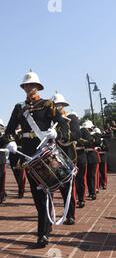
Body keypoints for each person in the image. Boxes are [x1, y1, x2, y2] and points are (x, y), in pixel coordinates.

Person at [5, 70, 69, 248]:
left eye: (32, 85)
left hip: (45, 151)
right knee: (38, 194)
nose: (29, 87)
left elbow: (63, 124)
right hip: (28, 154)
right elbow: (8, 131)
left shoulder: (48, 104)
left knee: (47, 190)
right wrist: (11, 142)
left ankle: (43, 231)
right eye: (26, 85)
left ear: (38, 86)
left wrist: (57, 132)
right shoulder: (19, 108)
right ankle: (45, 230)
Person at [52, 93, 77, 225]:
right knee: (51, 186)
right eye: (55, 105)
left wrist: (61, 136)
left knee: (67, 187)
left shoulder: (70, 118)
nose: (57, 107)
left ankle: (70, 214)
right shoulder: (50, 120)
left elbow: (76, 134)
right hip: (53, 158)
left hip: (67, 157)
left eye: (59, 105)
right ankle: (48, 215)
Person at [83, 121, 100, 200]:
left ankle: (93, 192)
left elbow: (98, 142)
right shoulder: (83, 135)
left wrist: (91, 138)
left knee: (92, 176)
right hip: (86, 156)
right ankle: (90, 192)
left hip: (92, 157)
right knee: (87, 176)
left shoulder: (95, 135)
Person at [9, 127, 26, 199]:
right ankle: (20, 187)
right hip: (12, 155)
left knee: (21, 174)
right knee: (16, 173)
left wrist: (21, 158)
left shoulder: (22, 132)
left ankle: (21, 190)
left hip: (20, 153)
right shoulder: (11, 132)